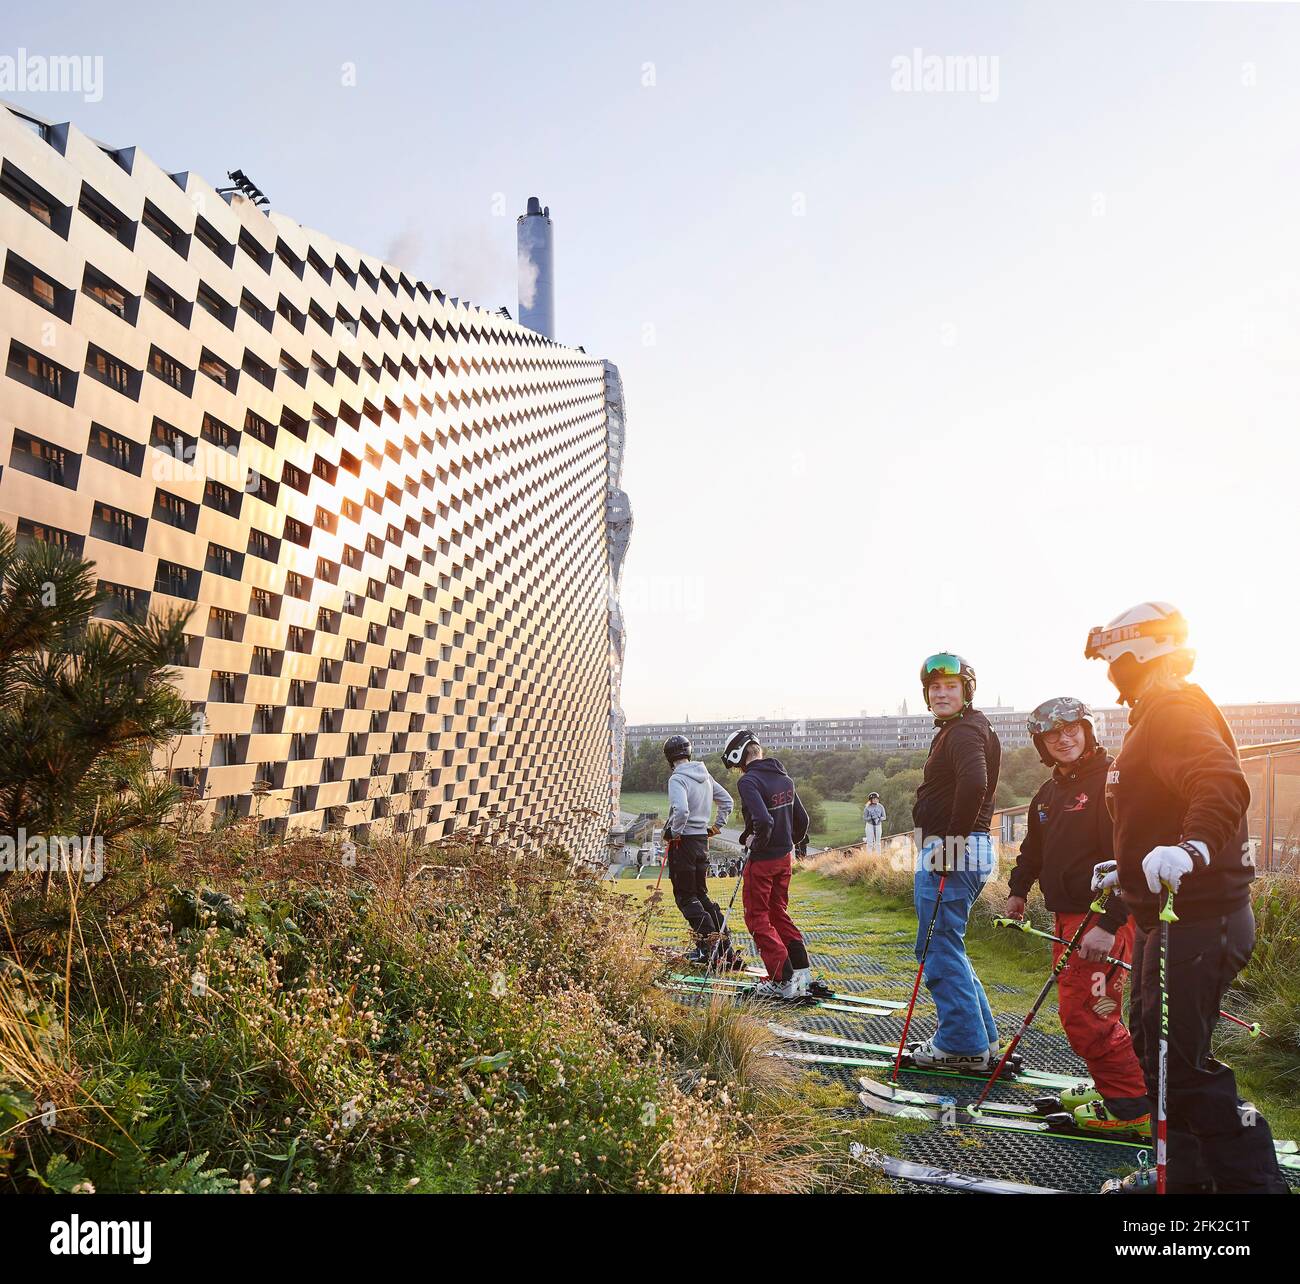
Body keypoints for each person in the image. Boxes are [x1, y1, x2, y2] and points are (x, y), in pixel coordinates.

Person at [1085, 602, 1287, 1194]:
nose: (1110, 674)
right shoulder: (1153, 714)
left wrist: (1194, 848)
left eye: (1113, 660)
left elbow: (1219, 781)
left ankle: (1253, 1187)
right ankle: (1188, 1179)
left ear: (1139, 654)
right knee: (1156, 1053)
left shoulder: (1174, 709)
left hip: (1198, 919)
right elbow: (1157, 810)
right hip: (1166, 918)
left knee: (1183, 1069)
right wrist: (1123, 869)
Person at [1006, 697, 1150, 1136]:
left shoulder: (1112, 781)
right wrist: (1016, 891)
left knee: (1084, 1012)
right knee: (1101, 1007)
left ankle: (1131, 1109)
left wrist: (1109, 923)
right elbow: (1033, 850)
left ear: (1088, 731)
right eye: (1052, 734)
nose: (1063, 739)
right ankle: (1117, 1087)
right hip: (1067, 916)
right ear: (1041, 744)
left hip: (1103, 919)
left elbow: (1130, 857)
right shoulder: (1049, 793)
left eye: (1072, 730)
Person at [909, 652, 1001, 1070]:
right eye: (935, 688)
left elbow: (976, 782)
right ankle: (980, 1038)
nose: (942, 693)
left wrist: (951, 844)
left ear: (967, 690)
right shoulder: (962, 728)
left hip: (955, 851)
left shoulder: (964, 731)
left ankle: (962, 1043)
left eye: (951, 686)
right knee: (949, 944)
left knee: (937, 947)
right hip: (961, 848)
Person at [723, 728, 814, 998]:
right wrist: (786, 842)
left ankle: (781, 980)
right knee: (778, 913)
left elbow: (763, 821)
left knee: (757, 917)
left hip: (763, 860)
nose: (738, 769)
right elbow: (803, 822)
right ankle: (800, 972)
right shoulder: (784, 777)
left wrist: (755, 842)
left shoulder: (749, 782)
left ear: (739, 755)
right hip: (784, 858)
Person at [661, 735, 740, 968]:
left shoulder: (677, 779)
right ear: (689, 753)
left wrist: (674, 832)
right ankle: (724, 948)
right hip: (701, 842)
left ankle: (709, 951)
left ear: (669, 757)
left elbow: (682, 810)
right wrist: (716, 827)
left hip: (683, 843)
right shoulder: (705, 775)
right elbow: (727, 802)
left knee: (686, 897)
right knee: (701, 895)